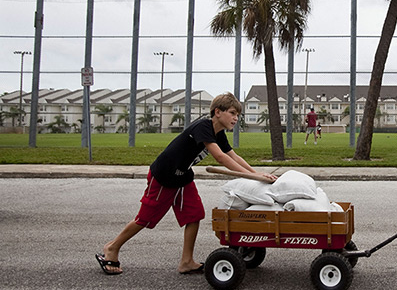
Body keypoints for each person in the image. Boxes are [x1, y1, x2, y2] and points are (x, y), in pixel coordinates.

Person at [95, 92, 277, 276]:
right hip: (164, 176)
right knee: (146, 218)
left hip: (182, 177)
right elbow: (220, 157)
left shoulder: (218, 132)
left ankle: (186, 261)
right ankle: (112, 247)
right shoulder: (204, 127)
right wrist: (252, 177)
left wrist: (257, 174)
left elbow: (232, 155)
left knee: (194, 215)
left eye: (238, 115)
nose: (236, 118)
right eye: (232, 113)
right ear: (218, 112)